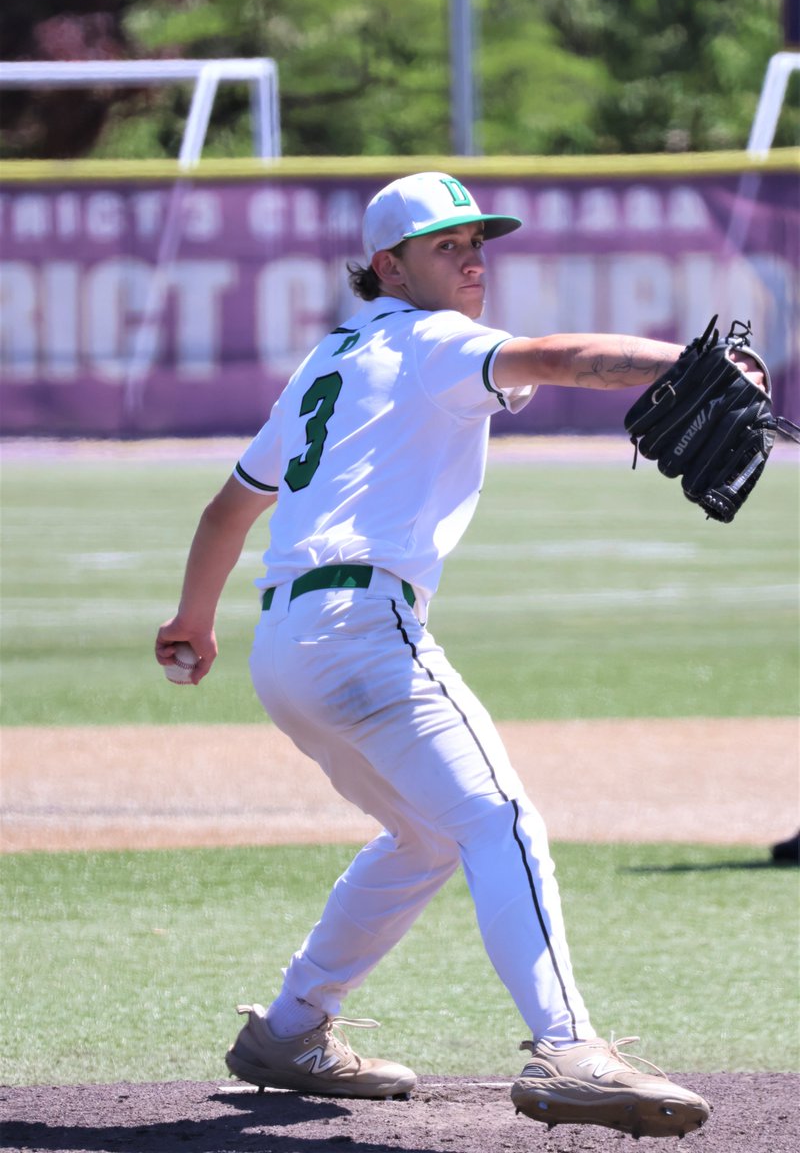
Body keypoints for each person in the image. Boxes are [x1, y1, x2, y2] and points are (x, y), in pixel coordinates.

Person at [156, 172, 765, 1139]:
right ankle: (571, 1051)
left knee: (427, 837)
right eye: (447, 245)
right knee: (501, 821)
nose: (473, 257)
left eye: (478, 241)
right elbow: (560, 355)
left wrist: (194, 618)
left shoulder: (327, 361)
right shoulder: (433, 338)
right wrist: (686, 364)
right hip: (365, 630)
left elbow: (230, 504)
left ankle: (289, 1028)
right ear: (389, 266)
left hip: (288, 649)